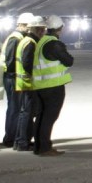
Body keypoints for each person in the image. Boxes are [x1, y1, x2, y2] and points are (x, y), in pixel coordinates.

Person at [29, 14, 75, 156]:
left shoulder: (41, 41)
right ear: (59, 28)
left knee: (42, 116)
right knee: (49, 117)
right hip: (52, 87)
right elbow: (69, 61)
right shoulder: (54, 44)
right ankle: (45, 148)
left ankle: (38, 146)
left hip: (40, 85)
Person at [0, 13, 34, 146]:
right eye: (27, 26)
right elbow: (10, 62)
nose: (29, 29)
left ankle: (13, 136)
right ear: (20, 25)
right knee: (15, 109)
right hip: (11, 77)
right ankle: (10, 138)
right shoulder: (16, 38)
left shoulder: (18, 37)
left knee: (16, 109)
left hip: (12, 77)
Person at [13, 16, 46, 151]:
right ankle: (22, 142)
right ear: (38, 29)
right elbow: (27, 63)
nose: (44, 32)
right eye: (43, 29)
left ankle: (19, 141)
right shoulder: (31, 43)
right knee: (27, 113)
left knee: (24, 113)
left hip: (23, 82)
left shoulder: (25, 40)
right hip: (29, 83)